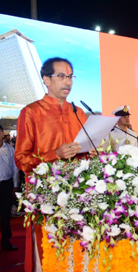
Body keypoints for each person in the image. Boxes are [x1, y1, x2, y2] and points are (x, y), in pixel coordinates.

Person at [15, 57, 96, 272]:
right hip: (47, 198)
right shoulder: (31, 112)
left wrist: (93, 152)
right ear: (46, 80)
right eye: (61, 76)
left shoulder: (78, 112)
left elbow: (84, 149)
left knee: (78, 254)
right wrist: (54, 154)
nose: (67, 82)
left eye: (70, 76)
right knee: (50, 256)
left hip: (79, 196)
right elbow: (21, 159)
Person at [0, 125, 19, 251]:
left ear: (2, 134)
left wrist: (16, 185)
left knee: (5, 215)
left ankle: (6, 241)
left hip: (6, 186)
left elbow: (15, 168)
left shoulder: (10, 149)